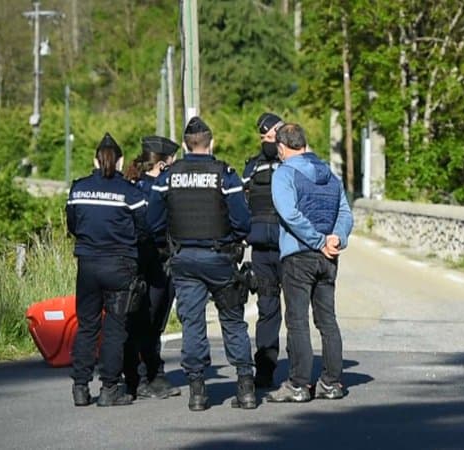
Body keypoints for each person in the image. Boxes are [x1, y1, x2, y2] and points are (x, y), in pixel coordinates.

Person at [147, 117, 256, 411]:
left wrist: (167, 244)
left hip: (183, 260)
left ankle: (197, 392)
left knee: (192, 323)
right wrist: (234, 240)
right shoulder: (225, 174)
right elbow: (242, 221)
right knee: (232, 320)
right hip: (220, 257)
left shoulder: (168, 177)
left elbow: (153, 221)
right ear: (212, 143)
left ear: (184, 145)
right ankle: (246, 388)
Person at [266, 123, 353, 403]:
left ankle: (299, 384)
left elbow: (289, 214)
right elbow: (345, 212)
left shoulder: (284, 173)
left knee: (298, 321)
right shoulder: (330, 174)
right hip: (328, 258)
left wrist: (316, 241)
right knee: (327, 320)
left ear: (281, 148)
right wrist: (335, 239)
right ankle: (331, 382)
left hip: (298, 256)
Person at [66, 132, 147, 407]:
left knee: (87, 326)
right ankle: (110, 388)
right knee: (114, 328)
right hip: (120, 266)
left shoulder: (78, 189)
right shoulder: (130, 193)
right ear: (121, 161)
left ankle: (80, 386)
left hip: (87, 265)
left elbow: (73, 226)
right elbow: (143, 228)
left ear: (95, 159)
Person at [122, 135, 181, 399]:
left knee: (151, 320)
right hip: (154, 259)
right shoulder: (151, 188)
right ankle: (143, 376)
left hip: (153, 259)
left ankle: (151, 372)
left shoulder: (134, 184)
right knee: (147, 319)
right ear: (164, 163)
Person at [242, 112, 284, 388]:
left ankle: (299, 371)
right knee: (267, 308)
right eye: (267, 137)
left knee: (296, 311)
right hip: (261, 249)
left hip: (289, 246)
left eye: (276, 136)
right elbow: (240, 203)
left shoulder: (293, 163)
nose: (271, 141)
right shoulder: (251, 168)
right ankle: (265, 369)